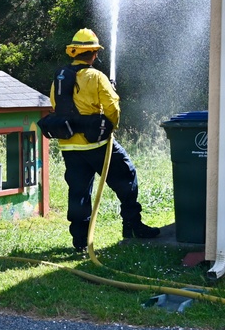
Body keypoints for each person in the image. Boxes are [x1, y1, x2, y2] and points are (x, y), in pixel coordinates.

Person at [47, 28, 160, 252]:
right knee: (127, 176)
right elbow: (112, 107)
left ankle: (80, 242)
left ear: (74, 52)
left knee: (78, 192)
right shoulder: (96, 77)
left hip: (69, 146)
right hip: (97, 145)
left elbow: (55, 105)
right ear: (94, 54)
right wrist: (109, 127)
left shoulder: (59, 78)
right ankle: (132, 226)